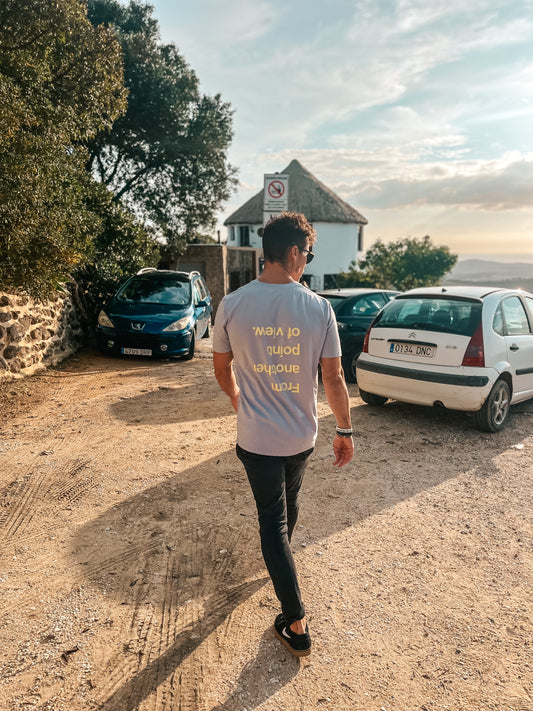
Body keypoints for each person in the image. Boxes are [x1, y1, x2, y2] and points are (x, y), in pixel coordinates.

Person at [213, 211, 354, 658]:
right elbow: (333, 379)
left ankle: (296, 621)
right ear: (294, 252)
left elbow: (221, 367)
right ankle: (287, 587)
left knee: (272, 520)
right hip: (300, 438)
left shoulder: (232, 304)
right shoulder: (318, 308)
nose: (307, 262)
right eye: (307, 254)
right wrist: (345, 430)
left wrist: (238, 400)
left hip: (256, 439)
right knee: (285, 510)